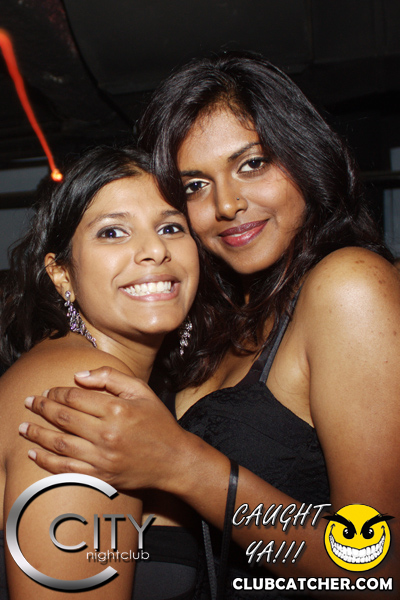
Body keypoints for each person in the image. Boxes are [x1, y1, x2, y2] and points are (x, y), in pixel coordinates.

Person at [18, 54, 400, 598]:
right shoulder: (221, 320)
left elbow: (380, 569)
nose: (227, 204)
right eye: (195, 185)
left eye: (252, 164)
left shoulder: (349, 284)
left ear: (305, 156)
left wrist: (184, 466)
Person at [0, 145, 199, 600]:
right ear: (62, 275)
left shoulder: (113, 381)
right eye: (113, 232)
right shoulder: (83, 389)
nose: (155, 250)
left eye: (171, 227)